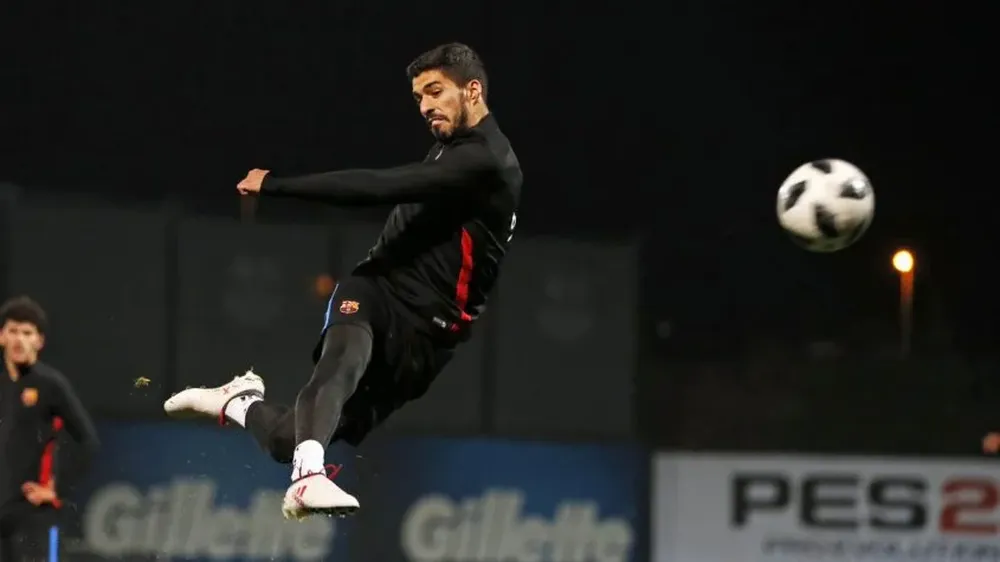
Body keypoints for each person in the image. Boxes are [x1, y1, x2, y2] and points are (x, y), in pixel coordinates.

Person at [164, 42, 522, 520]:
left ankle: (239, 401)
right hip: (377, 288)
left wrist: (278, 184)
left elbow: (380, 186)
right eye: (418, 97)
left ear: (473, 90)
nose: (425, 106)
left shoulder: (486, 162)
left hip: (428, 337)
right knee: (340, 366)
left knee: (287, 439)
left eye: (435, 92)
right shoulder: (453, 145)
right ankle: (308, 477)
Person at [0, 296, 100, 561]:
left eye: (27, 332)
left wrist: (56, 489)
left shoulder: (50, 386)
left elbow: (87, 440)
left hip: (32, 515)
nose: (19, 339)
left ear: (39, 341)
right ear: (1, 336)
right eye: (12, 331)